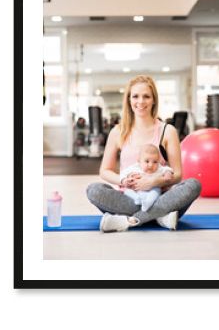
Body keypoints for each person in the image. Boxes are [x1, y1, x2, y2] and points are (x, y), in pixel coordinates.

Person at [86, 75, 201, 232]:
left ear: (154, 100)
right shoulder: (118, 131)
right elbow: (104, 171)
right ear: (128, 100)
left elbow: (178, 174)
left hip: (160, 198)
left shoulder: (168, 131)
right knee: (94, 190)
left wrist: (153, 182)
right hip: (128, 199)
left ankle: (130, 220)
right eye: (135, 96)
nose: (140, 101)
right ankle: (160, 218)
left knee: (193, 185)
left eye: (146, 96)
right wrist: (123, 181)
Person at [120, 143, 174, 212]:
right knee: (127, 191)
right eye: (147, 161)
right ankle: (138, 199)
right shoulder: (135, 167)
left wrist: (168, 173)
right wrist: (125, 181)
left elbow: (167, 169)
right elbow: (123, 174)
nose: (151, 165)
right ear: (139, 161)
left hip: (151, 191)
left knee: (157, 189)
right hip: (137, 191)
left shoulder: (159, 168)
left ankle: (148, 203)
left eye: (155, 162)